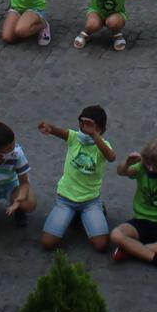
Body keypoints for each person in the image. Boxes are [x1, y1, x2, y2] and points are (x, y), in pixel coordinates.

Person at [37, 106, 115, 253]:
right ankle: (74, 215)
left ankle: (93, 211)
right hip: (65, 199)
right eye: (82, 123)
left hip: (90, 201)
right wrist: (49, 127)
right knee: (47, 243)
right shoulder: (74, 137)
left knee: (101, 245)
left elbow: (111, 157)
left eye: (90, 125)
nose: (84, 128)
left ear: (101, 129)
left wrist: (94, 136)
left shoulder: (102, 146)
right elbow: (60, 132)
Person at [108, 139, 157, 277]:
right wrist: (126, 163)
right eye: (149, 163)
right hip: (141, 220)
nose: (151, 169)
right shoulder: (141, 168)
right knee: (116, 234)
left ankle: (131, 250)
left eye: (156, 166)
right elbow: (121, 172)